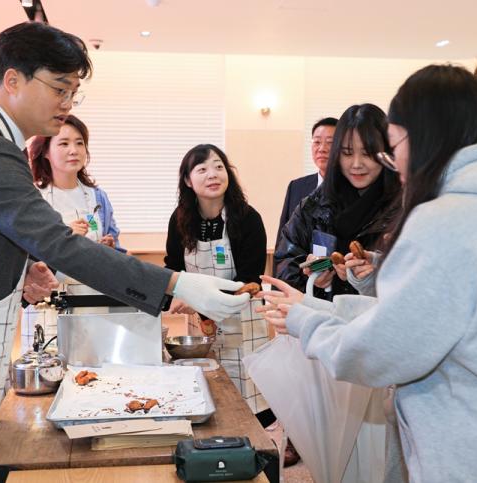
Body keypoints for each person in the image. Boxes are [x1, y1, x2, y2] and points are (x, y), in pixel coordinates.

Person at [0, 22, 249, 483]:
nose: (67, 103)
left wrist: (22, 268)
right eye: (59, 88)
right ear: (13, 80)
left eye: (73, 92)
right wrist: (177, 284)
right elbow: (61, 244)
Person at [261, 64, 477, 482]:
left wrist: (306, 320)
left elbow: (382, 352)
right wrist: (321, 307)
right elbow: (438, 323)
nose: (393, 161)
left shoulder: (443, 220)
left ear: (423, 138)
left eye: (392, 145)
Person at [164, 144, 270, 417]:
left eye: (219, 167)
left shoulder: (247, 218)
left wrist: (202, 302)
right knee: (208, 393)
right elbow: (173, 268)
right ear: (188, 180)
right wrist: (178, 297)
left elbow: (250, 279)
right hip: (200, 323)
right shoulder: (180, 220)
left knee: (250, 394)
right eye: (202, 169)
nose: (212, 174)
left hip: (242, 317)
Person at [274, 104, 400, 300]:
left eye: (367, 153)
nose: (356, 164)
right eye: (347, 153)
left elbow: (419, 280)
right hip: (324, 317)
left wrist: (376, 275)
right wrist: (310, 277)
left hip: (380, 317)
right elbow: (284, 262)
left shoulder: (404, 207)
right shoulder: (314, 205)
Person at [20, 114, 123, 352]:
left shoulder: (97, 197)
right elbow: (23, 256)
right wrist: (64, 238)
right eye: (64, 143)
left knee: (94, 366)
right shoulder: (33, 197)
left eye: (79, 143)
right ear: (45, 152)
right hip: (47, 304)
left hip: (93, 302)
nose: (73, 150)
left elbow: (118, 251)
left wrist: (109, 249)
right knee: (48, 365)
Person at [275, 117, 337, 242]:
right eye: (317, 142)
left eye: (330, 142)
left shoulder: (354, 188)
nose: (322, 149)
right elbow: (283, 238)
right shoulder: (296, 187)